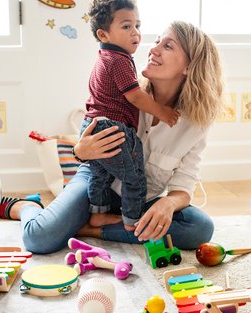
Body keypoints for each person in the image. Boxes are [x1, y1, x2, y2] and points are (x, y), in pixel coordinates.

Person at [0, 20, 223, 254]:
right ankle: (25, 206)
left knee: (200, 228)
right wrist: (80, 151)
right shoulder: (125, 90)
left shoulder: (196, 122)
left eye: (168, 46)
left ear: (189, 66)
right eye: (157, 41)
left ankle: (91, 230)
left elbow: (184, 184)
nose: (153, 49)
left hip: (142, 200)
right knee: (39, 239)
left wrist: (169, 203)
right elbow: (85, 140)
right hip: (97, 183)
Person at [81, 0, 179, 231]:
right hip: (111, 128)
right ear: (103, 34)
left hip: (94, 124)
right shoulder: (119, 60)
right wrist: (163, 112)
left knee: (101, 175)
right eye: (126, 26)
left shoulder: (104, 57)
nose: (135, 32)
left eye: (138, 25)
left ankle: (97, 214)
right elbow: (135, 96)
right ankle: (133, 221)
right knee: (134, 177)